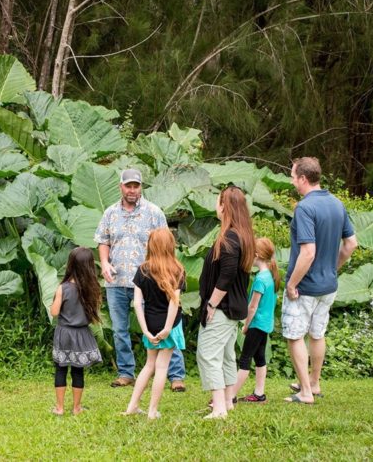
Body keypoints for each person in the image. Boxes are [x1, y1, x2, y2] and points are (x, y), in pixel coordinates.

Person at [94, 169, 187, 391]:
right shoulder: (109, 213)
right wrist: (105, 263)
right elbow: (103, 240)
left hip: (150, 281)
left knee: (165, 323)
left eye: (136, 186)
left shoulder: (154, 213)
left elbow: (166, 243)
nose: (132, 190)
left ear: (141, 187)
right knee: (119, 329)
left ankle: (175, 375)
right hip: (117, 281)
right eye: (129, 186)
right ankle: (126, 373)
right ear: (121, 187)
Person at [283, 157, 357, 404]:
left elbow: (308, 252)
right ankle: (314, 383)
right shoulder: (336, 203)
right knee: (317, 334)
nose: (292, 181)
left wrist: (292, 283)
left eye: (293, 176)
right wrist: (332, 268)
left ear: (303, 179)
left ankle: (304, 392)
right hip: (329, 285)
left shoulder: (305, 208)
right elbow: (351, 244)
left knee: (294, 336)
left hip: (306, 286)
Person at [196, 186, 255, 419]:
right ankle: (228, 402)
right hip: (235, 307)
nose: (215, 205)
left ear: (224, 206)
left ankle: (219, 408)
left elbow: (227, 274)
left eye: (218, 201)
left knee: (209, 354)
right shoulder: (242, 235)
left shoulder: (230, 236)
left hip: (223, 307)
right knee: (227, 355)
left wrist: (211, 304)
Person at [123, 228, 186, 420]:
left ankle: (132, 407)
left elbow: (137, 303)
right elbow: (174, 302)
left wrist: (145, 330)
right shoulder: (177, 269)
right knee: (161, 367)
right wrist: (168, 329)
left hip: (150, 323)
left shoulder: (142, 270)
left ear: (151, 245)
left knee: (149, 365)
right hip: (169, 325)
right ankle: (152, 411)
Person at [50, 247, 103, 416]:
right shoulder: (92, 288)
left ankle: (59, 408)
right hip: (81, 334)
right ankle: (77, 408)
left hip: (64, 333)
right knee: (78, 370)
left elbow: (54, 312)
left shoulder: (63, 288)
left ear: (70, 264)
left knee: (60, 369)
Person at [233, 237, 281, 403]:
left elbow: (252, 307)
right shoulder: (271, 276)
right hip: (265, 324)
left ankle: (229, 396)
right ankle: (259, 393)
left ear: (258, 255)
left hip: (256, 324)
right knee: (260, 358)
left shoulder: (260, 279)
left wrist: (246, 325)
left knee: (245, 359)